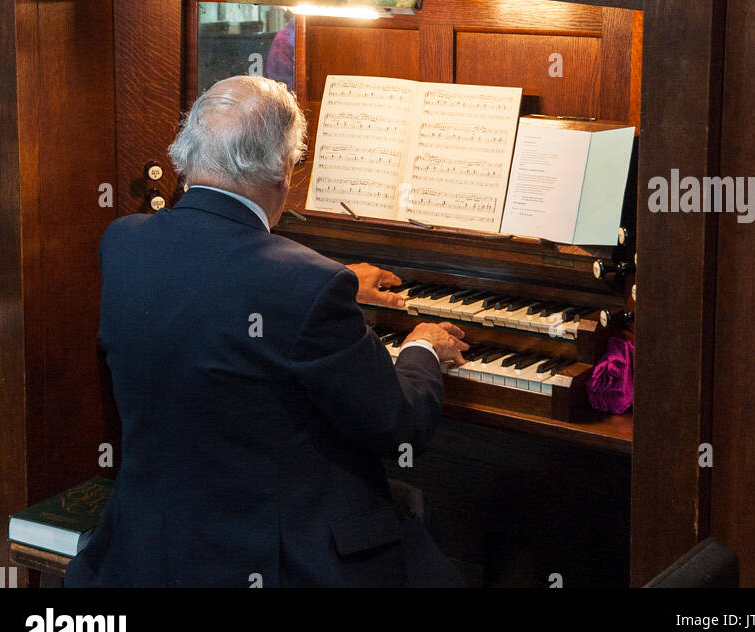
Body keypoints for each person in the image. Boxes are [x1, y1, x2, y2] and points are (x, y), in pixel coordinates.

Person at [65, 75, 466, 588]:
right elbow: (398, 426)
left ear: (188, 154)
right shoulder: (309, 284)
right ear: (283, 168)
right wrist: (421, 348)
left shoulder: (122, 241)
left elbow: (216, 280)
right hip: (278, 561)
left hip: (151, 547)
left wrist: (323, 279)